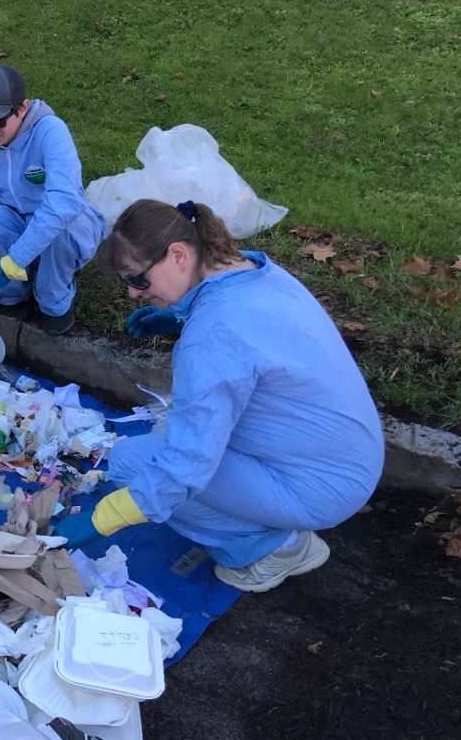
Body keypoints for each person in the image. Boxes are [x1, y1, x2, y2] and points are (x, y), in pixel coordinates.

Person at [56, 199, 384, 592]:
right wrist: (181, 313)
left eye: (138, 279)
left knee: (131, 466)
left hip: (320, 485)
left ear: (178, 254)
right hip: (346, 457)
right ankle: (271, 522)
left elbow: (185, 464)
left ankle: (275, 547)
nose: (132, 293)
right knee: (159, 452)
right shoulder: (250, 269)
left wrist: (101, 518)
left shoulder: (212, 338)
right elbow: (248, 337)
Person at [0, 64, 105, 335]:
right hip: (17, 228)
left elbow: (63, 203)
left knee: (63, 223)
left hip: (69, 228)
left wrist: (8, 265)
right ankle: (10, 293)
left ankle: (53, 300)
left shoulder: (50, 131)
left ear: (22, 108)